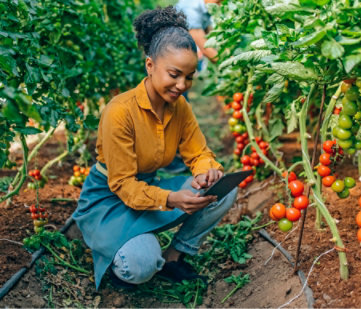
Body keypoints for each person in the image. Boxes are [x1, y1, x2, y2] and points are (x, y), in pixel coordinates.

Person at [72, 6, 238, 290]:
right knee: (140, 265)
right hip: (110, 200)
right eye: (174, 74)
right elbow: (123, 184)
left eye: (189, 77)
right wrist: (172, 199)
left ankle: (173, 257)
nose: (181, 85)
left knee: (224, 187)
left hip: (148, 190)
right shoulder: (120, 112)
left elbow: (198, 153)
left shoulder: (179, 107)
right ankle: (119, 251)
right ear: (150, 65)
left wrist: (206, 172)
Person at [176, 0, 221, 64]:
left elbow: (210, 36)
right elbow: (206, 49)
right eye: (218, 2)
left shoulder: (206, 8)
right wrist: (229, 63)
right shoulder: (192, 10)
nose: (220, 5)